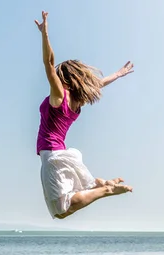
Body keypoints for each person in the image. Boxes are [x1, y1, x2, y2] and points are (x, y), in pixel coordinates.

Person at [34, 11, 135, 220]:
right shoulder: (77, 101)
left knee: (61, 210)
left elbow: (48, 63)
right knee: (64, 207)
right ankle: (100, 184)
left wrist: (45, 34)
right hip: (58, 153)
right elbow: (98, 84)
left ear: (65, 79)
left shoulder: (59, 95)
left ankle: (103, 190)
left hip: (52, 156)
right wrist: (118, 74)